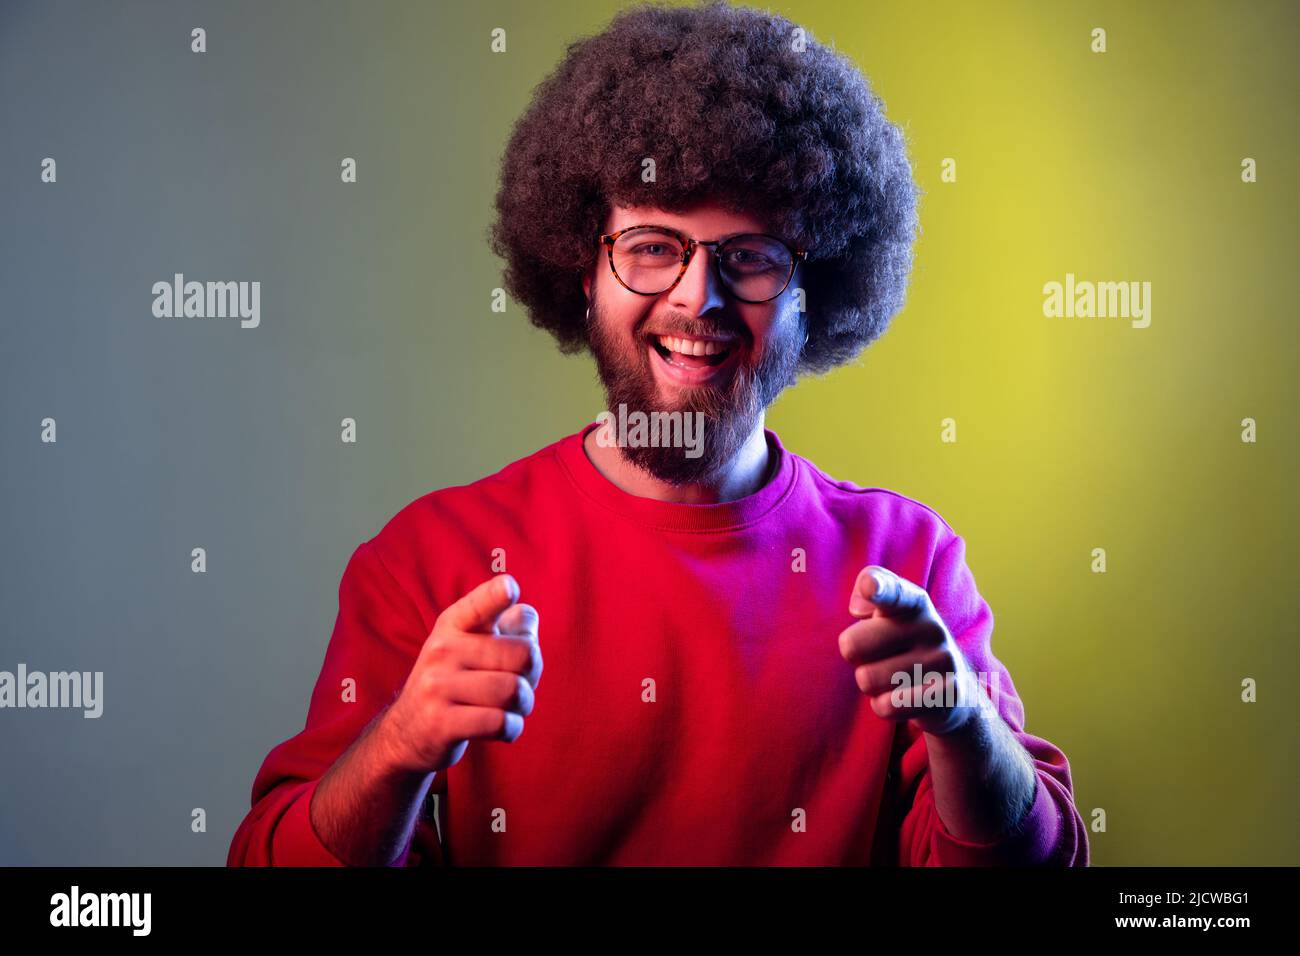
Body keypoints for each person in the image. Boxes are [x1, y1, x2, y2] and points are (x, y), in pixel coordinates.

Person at [228, 0, 1088, 866]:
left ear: (811, 291)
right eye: (650, 246)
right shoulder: (433, 563)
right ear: (582, 269)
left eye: (749, 256)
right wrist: (401, 743)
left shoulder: (907, 563)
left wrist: (962, 723)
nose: (695, 298)